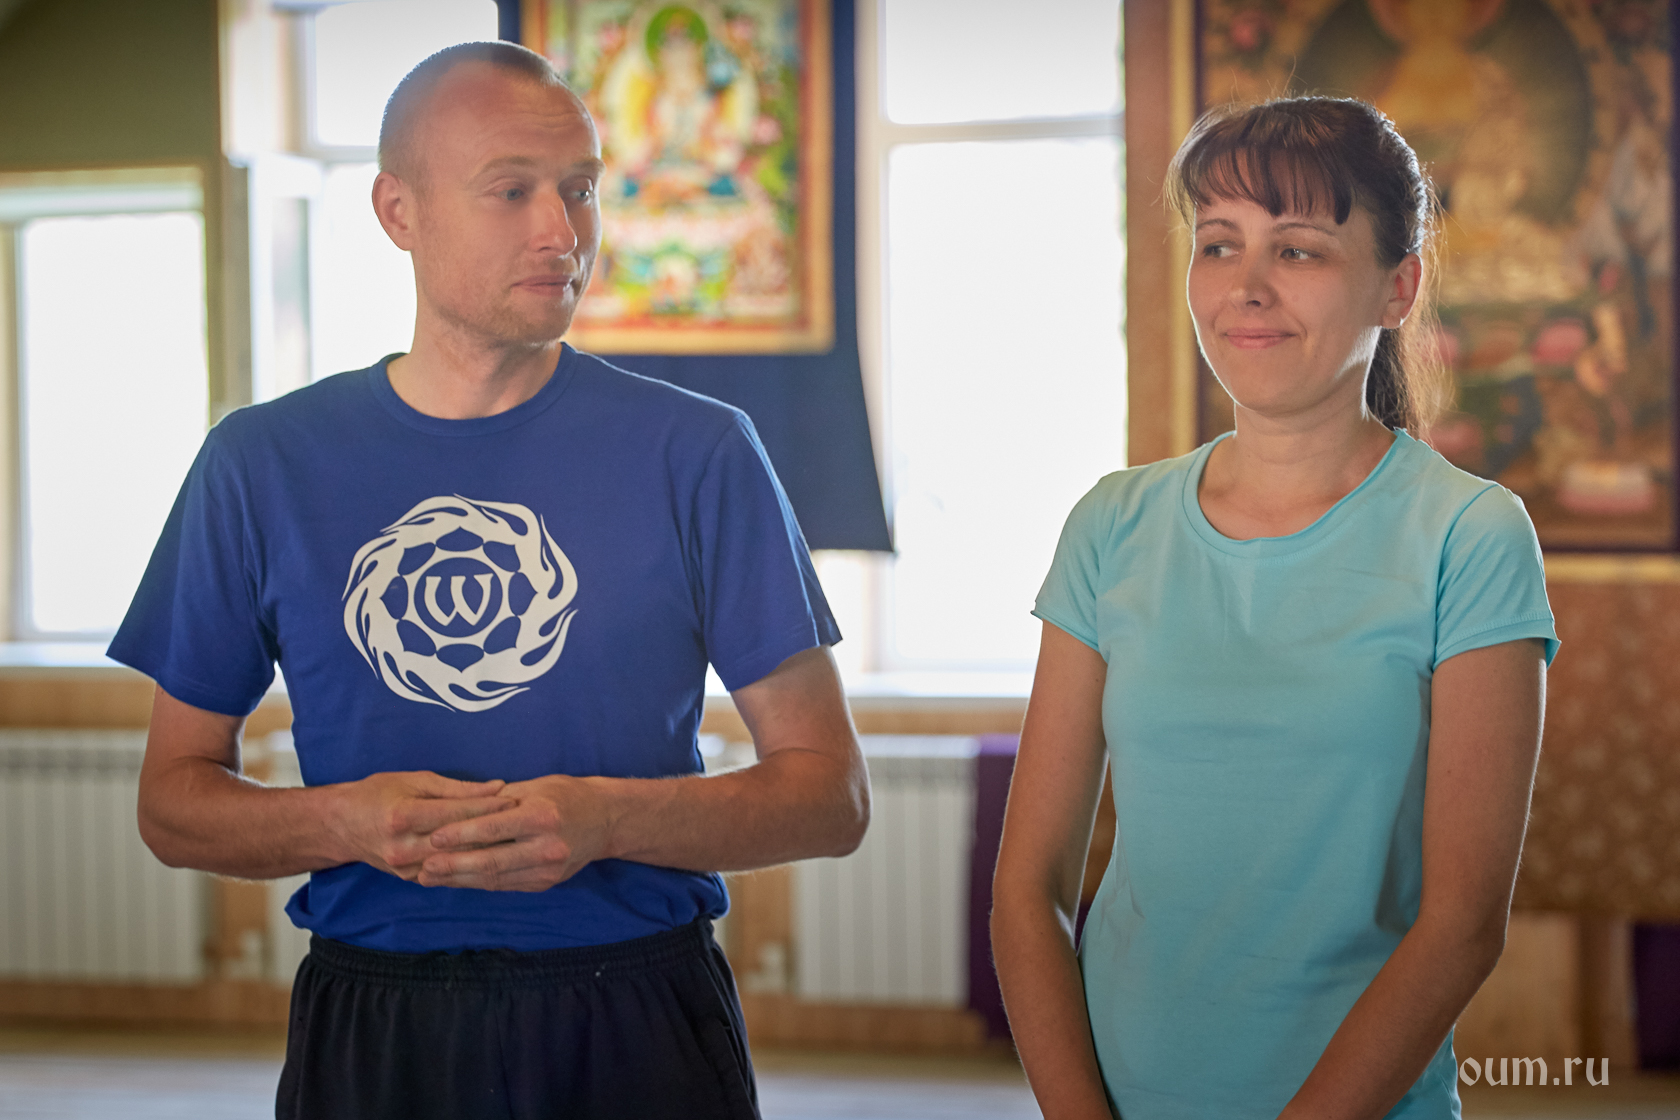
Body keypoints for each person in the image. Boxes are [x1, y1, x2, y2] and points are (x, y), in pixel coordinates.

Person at [109, 40, 868, 1120]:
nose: (563, 232)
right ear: (399, 210)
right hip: (374, 1024)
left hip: (640, 1013)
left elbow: (829, 796)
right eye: (512, 191)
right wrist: (346, 824)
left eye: (581, 190)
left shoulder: (701, 452)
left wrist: (605, 821)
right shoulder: (260, 464)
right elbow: (172, 806)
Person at [991, 97, 1557, 1120]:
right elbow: (1028, 889)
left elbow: (1463, 926)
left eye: (1297, 249)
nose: (1246, 285)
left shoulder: (1468, 535)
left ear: (1398, 287)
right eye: (1219, 244)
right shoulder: (1111, 524)